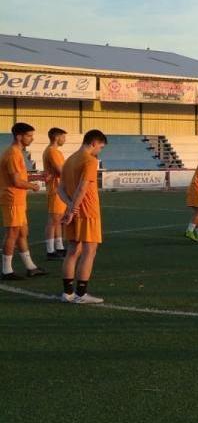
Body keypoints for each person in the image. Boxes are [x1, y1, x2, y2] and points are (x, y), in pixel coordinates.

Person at [58, 129, 107, 303]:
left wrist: (70, 207)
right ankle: (81, 294)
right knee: (89, 251)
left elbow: (60, 189)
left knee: (72, 251)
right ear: (94, 143)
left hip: (75, 210)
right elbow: (82, 188)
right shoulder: (90, 160)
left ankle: (67, 293)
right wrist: (73, 209)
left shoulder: (70, 160)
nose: (99, 151)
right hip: (88, 212)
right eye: (100, 147)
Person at [1, 122, 46, 281]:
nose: (32, 139)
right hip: (12, 198)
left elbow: (20, 178)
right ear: (19, 136)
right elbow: (15, 182)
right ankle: (6, 270)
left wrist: (37, 177)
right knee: (12, 234)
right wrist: (33, 186)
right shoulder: (13, 154)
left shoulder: (17, 153)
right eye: (29, 135)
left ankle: (30, 267)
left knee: (22, 233)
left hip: (18, 199)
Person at [42, 127, 68, 259]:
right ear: (57, 137)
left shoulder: (54, 151)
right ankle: (50, 251)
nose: (64, 139)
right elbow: (60, 171)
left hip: (58, 189)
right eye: (63, 137)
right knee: (53, 220)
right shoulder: (52, 152)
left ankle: (59, 247)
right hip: (55, 189)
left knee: (58, 220)